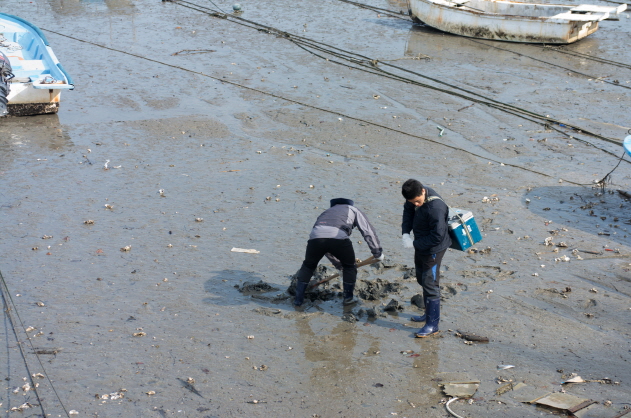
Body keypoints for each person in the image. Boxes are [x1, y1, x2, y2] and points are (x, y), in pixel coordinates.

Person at [293, 198, 384, 307]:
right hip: (339, 238)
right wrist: (377, 251)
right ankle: (348, 299)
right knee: (350, 267)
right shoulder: (353, 209)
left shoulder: (326, 212)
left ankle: (298, 300)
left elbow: (325, 243)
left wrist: (339, 266)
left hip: (315, 238)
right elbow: (367, 231)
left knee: (308, 266)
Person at [401, 179, 451, 337]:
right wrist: (405, 233)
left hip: (434, 248)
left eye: (418, 201)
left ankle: (432, 324)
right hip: (421, 243)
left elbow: (437, 236)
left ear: (423, 191)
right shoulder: (413, 198)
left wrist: (415, 243)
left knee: (430, 282)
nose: (416, 204)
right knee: (421, 278)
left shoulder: (436, 208)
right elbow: (408, 212)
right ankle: (428, 313)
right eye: (412, 202)